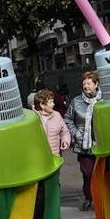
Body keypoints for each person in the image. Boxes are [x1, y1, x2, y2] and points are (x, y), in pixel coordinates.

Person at [64, 71, 101, 211]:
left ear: (96, 84)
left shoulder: (104, 100)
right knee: (88, 174)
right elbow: (67, 119)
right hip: (84, 147)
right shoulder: (76, 101)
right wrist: (75, 133)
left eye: (89, 83)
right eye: (84, 83)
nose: (86, 86)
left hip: (101, 145)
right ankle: (89, 196)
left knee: (103, 174)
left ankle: (103, 198)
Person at [34, 89, 71, 155]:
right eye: (50, 102)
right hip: (40, 157)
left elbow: (65, 132)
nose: (53, 104)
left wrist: (65, 141)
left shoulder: (57, 115)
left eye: (53, 102)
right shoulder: (34, 118)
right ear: (42, 105)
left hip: (56, 155)